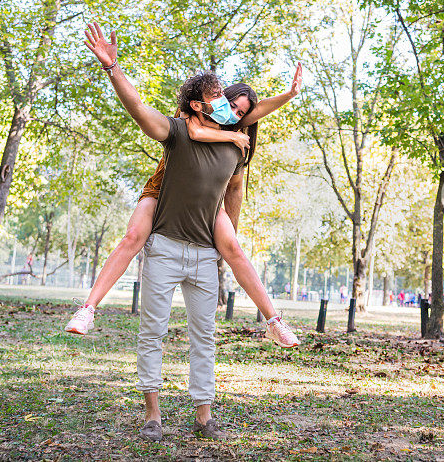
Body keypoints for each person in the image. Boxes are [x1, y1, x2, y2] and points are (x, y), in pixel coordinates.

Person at [79, 22, 289, 441]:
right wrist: (113, 69)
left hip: (204, 256)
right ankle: (152, 416)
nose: (231, 108)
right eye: (219, 100)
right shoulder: (179, 132)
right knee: (152, 333)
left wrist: (227, 242)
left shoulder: (237, 146)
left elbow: (234, 191)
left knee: (204, 339)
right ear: (197, 106)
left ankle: (204, 417)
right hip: (165, 249)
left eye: (235, 107)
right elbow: (139, 107)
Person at [65, 38, 302, 350]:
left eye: (240, 112)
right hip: (164, 191)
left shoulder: (233, 129)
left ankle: (274, 321)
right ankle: (87, 309)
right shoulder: (190, 120)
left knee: (234, 248)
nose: (234, 113)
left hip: (205, 204)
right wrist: (112, 67)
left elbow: (257, 115)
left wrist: (289, 94)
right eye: (229, 104)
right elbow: (151, 113)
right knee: (133, 236)